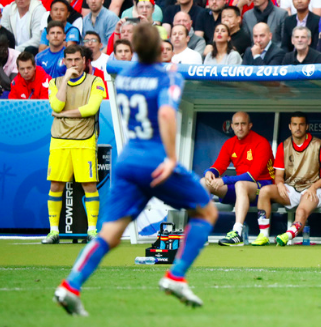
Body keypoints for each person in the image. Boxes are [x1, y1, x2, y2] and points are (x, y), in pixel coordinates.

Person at [53, 24, 218, 315]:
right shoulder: (168, 76)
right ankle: (176, 276)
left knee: (110, 234)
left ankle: (70, 285)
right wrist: (170, 157)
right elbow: (166, 112)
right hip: (154, 161)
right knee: (207, 211)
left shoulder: (125, 76)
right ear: (159, 49)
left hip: (129, 161)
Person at [42, 44, 105, 245]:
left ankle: (92, 230)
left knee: (89, 185)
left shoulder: (96, 82)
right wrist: (65, 82)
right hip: (59, 141)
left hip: (84, 140)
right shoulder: (55, 83)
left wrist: (63, 115)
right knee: (56, 184)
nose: (73, 64)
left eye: (77, 60)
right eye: (69, 60)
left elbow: (91, 108)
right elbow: (57, 104)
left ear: (85, 61)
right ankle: (53, 231)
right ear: (64, 62)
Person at [253, 112, 321, 246]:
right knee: (264, 191)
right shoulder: (284, 145)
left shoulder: (317, 144)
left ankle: (288, 234)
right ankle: (263, 234)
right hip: (291, 188)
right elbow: (279, 174)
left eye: (301, 124)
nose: (298, 127)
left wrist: (315, 187)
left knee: (301, 210)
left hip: (314, 189)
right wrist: (280, 184)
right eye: (294, 124)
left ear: (306, 126)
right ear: (289, 127)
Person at [202, 111, 274, 246]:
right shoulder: (230, 143)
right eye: (237, 124)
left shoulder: (261, 143)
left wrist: (224, 180)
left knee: (241, 184)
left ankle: (237, 232)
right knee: (203, 183)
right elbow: (219, 166)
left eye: (243, 124)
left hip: (262, 187)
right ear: (232, 126)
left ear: (250, 125)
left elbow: (252, 175)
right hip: (240, 188)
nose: (240, 127)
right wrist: (209, 172)